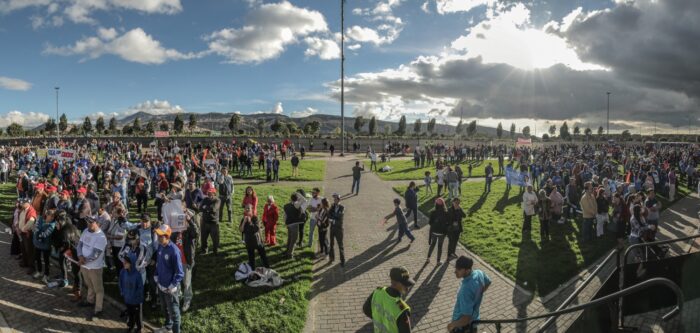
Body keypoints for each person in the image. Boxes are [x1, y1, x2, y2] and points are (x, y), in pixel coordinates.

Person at [362, 266, 414, 333]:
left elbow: (366, 309)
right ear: (395, 283)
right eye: (404, 284)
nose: (407, 287)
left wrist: (379, 319)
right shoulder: (402, 309)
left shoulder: (377, 292)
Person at [447, 256, 491, 333]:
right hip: (474, 321)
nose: (455, 271)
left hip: (461, 327)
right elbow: (489, 282)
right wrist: (478, 293)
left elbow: (466, 318)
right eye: (456, 268)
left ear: (467, 270)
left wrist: (452, 325)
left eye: (459, 269)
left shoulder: (466, 289)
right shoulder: (479, 273)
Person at [154, 224, 184, 333]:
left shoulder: (174, 251)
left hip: (170, 290)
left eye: (161, 236)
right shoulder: (160, 246)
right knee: (165, 309)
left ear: (167, 236)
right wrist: (156, 275)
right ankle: (168, 327)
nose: (158, 237)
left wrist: (172, 286)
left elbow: (180, 273)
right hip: (161, 286)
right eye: (158, 235)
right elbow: (159, 263)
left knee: (174, 314)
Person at [77, 217, 108, 320]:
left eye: (92, 223)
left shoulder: (101, 237)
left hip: (95, 268)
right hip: (84, 265)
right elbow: (80, 245)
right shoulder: (86, 231)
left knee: (98, 289)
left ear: (97, 223)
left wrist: (83, 260)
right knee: (89, 284)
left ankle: (98, 309)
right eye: (88, 223)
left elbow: (96, 254)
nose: (89, 225)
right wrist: (80, 256)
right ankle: (90, 301)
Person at [172, 204, 199, 313]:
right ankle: (178, 297)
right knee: (177, 282)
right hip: (176, 262)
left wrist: (190, 220)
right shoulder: (176, 231)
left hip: (186, 261)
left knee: (186, 283)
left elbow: (196, 232)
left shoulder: (189, 232)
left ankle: (187, 299)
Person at [119, 252, 144, 333]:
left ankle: (139, 328)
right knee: (130, 314)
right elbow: (120, 282)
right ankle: (131, 326)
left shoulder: (137, 275)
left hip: (136, 300)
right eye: (124, 261)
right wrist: (122, 291)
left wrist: (135, 296)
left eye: (126, 262)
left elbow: (140, 288)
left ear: (132, 263)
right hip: (127, 298)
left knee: (137, 315)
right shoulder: (123, 272)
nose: (124, 263)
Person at [240, 204, 269, 269]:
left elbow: (256, 229)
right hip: (249, 241)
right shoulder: (243, 219)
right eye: (246, 208)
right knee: (251, 258)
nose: (247, 210)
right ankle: (252, 271)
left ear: (252, 210)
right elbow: (241, 230)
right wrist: (244, 222)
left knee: (263, 256)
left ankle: (267, 268)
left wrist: (250, 221)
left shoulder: (255, 218)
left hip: (257, 241)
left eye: (248, 208)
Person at [32, 209, 57, 283]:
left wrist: (39, 235)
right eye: (51, 216)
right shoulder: (40, 220)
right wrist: (38, 234)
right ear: (47, 215)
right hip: (37, 244)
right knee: (38, 258)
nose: (52, 218)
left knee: (46, 261)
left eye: (53, 217)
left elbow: (47, 233)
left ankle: (46, 275)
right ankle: (39, 271)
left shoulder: (52, 224)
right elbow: (35, 228)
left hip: (46, 245)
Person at [283, 192, 307, 259]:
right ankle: (290, 255)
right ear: (297, 199)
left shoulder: (286, 205)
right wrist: (298, 194)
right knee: (294, 240)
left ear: (291, 198)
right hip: (294, 224)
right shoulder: (296, 205)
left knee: (289, 239)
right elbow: (304, 200)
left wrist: (285, 223)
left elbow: (284, 216)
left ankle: (287, 251)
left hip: (288, 224)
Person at [18, 198, 38, 275]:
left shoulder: (31, 211)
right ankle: (25, 262)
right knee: (23, 248)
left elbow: (30, 223)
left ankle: (32, 267)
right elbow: (21, 219)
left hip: (27, 234)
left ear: (28, 203)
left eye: (23, 203)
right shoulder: (23, 209)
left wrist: (22, 229)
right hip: (22, 232)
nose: (21, 204)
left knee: (30, 250)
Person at [427, 198, 449, 264]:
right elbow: (447, 223)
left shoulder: (433, 212)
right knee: (440, 246)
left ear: (436, 204)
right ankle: (438, 261)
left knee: (432, 244)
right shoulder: (446, 213)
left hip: (434, 232)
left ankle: (428, 258)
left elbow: (430, 222)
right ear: (443, 204)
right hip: (442, 233)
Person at [200, 187, 221, 255]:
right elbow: (200, 208)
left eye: (211, 193)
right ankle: (204, 250)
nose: (209, 194)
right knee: (203, 238)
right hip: (205, 222)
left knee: (215, 239)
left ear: (214, 193)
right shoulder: (205, 199)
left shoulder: (217, 200)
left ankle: (215, 251)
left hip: (213, 223)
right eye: (208, 193)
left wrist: (205, 207)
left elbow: (213, 209)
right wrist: (207, 208)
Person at [328, 193, 345, 266]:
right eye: (334, 199)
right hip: (332, 228)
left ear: (339, 200)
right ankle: (331, 258)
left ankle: (342, 260)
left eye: (335, 199)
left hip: (339, 229)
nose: (334, 200)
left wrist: (332, 218)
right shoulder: (332, 206)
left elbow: (340, 216)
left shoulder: (342, 207)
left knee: (340, 245)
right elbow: (328, 214)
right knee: (331, 244)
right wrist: (333, 217)